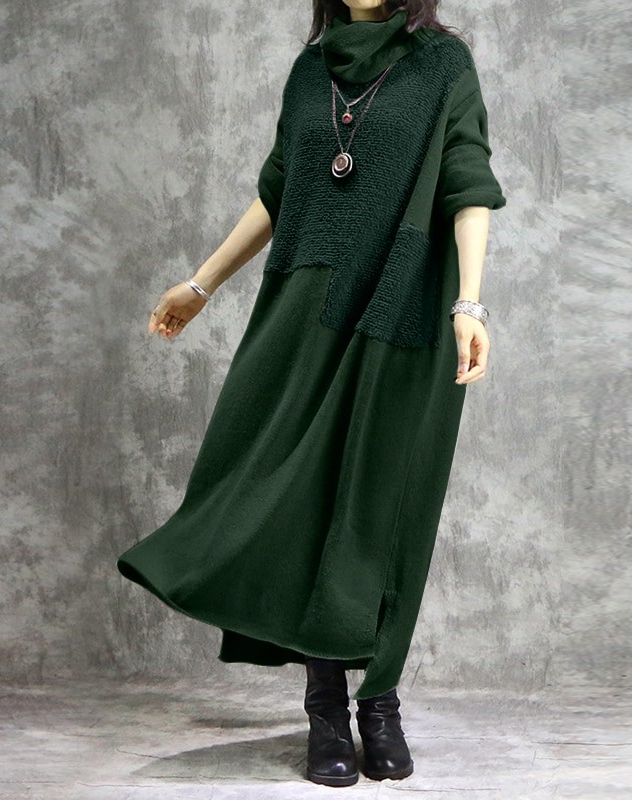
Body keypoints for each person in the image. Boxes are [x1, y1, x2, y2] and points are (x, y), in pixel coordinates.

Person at [117, 0, 506, 787]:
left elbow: (466, 178)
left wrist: (470, 303)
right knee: (298, 502)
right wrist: (200, 284)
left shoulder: (441, 64)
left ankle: (380, 700)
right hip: (304, 305)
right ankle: (326, 705)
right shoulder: (310, 70)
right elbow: (278, 190)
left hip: (402, 309)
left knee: (384, 506)